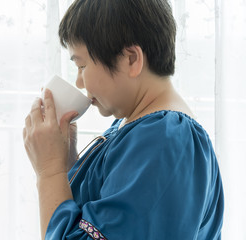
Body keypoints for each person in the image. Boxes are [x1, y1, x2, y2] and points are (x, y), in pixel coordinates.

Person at [23, 0, 224, 239]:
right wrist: (66, 165)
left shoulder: (163, 139)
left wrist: (50, 172)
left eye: (82, 65)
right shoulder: (141, 129)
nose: (79, 82)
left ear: (131, 59)